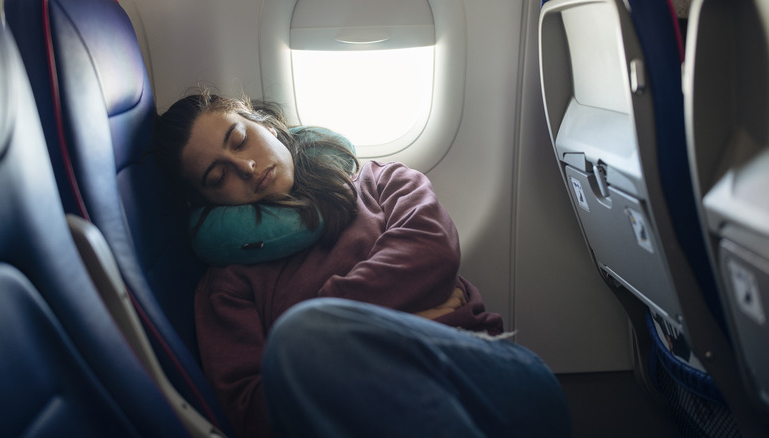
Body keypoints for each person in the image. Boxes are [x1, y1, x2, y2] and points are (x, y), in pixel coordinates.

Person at [154, 91, 570, 438]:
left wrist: (321, 340)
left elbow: (432, 252)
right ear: (207, 204)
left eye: (240, 139)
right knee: (306, 334)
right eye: (217, 177)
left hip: (493, 380)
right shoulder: (227, 286)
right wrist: (391, 325)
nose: (244, 167)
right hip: (366, 423)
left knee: (304, 334)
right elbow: (251, 411)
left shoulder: (383, 181)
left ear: (265, 122)